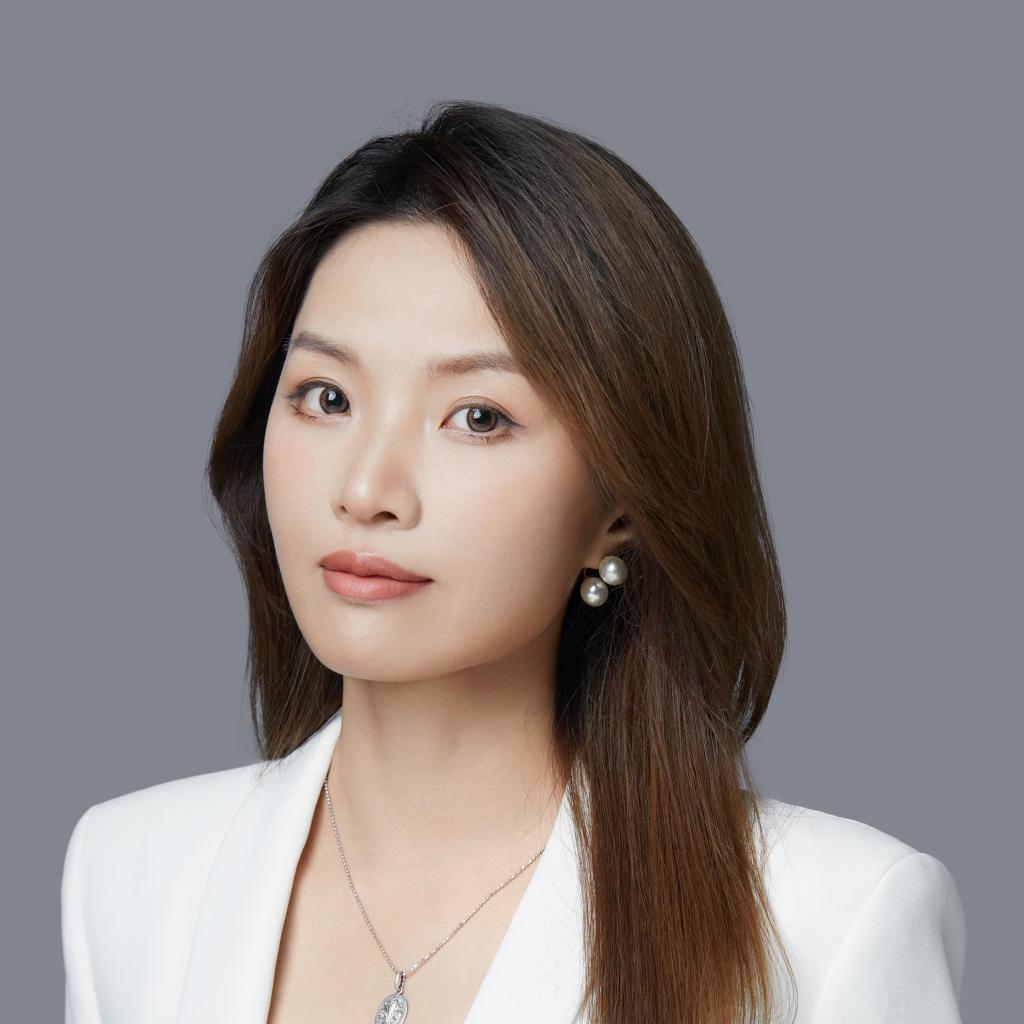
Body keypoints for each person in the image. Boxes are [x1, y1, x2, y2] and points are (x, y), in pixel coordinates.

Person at [60, 100, 967, 1024]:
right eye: (326, 397)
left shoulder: (828, 923)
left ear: (619, 507)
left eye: (478, 417)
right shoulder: (129, 875)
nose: (367, 489)